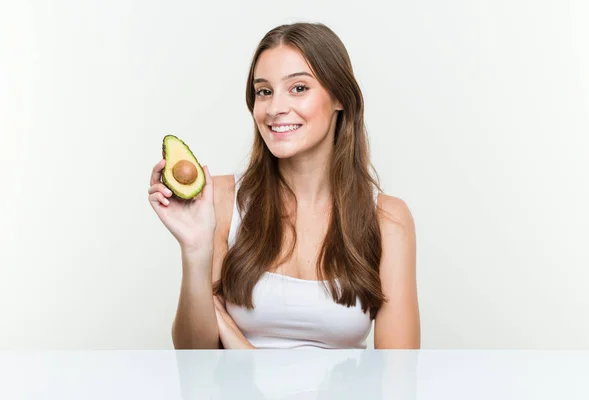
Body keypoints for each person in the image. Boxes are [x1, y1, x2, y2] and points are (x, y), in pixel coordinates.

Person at [148, 22, 420, 349]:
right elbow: (194, 356)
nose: (275, 108)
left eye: (299, 88)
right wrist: (195, 249)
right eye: (264, 91)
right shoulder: (219, 199)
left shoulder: (388, 219)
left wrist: (245, 351)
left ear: (340, 98)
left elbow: (398, 378)